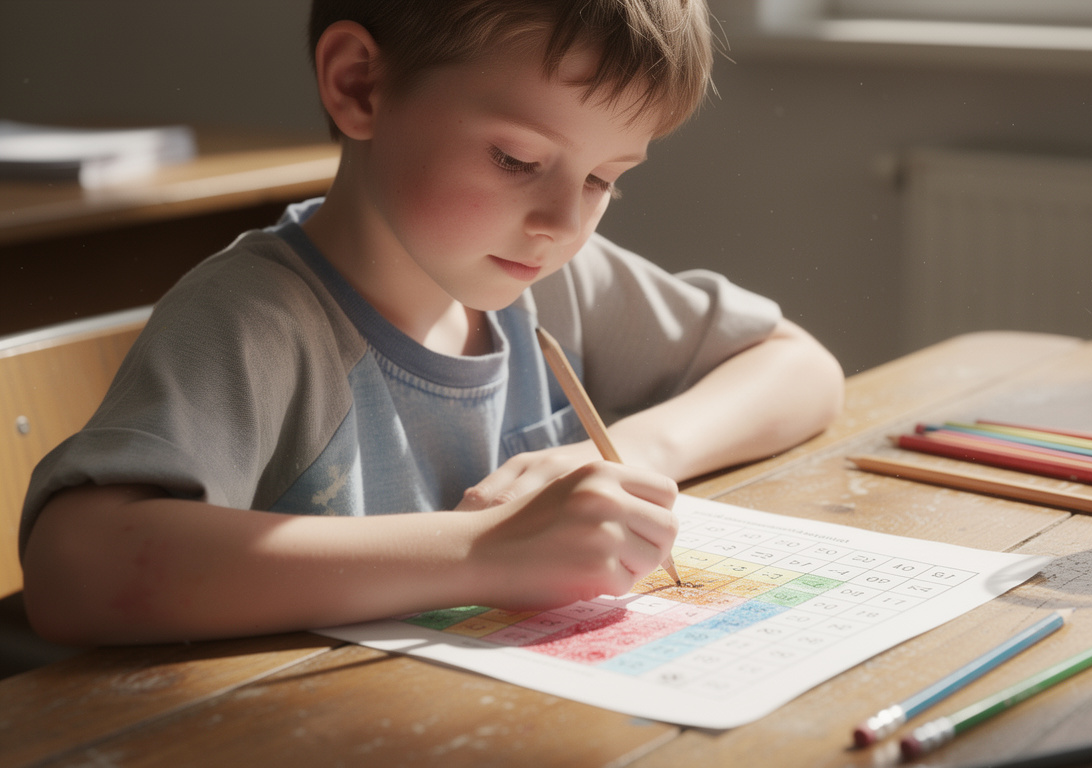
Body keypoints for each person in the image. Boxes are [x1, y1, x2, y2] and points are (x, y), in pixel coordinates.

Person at [19, 0, 845, 646]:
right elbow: (73, 570)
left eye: (602, 178)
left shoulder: (547, 283)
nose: (563, 221)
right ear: (359, 86)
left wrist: (640, 453)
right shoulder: (257, 322)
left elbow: (798, 366)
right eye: (518, 161)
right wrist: (487, 553)